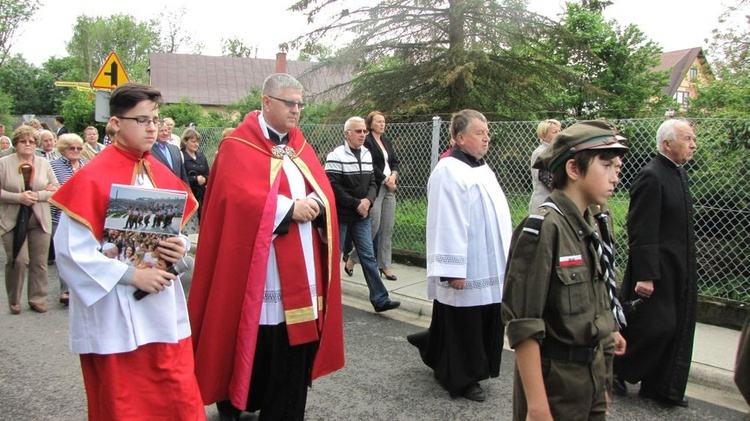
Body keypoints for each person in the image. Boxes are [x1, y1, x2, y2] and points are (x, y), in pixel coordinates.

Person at [188, 73, 344, 420]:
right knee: (254, 337)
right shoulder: (237, 146)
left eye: (300, 104)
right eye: (290, 103)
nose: (297, 110)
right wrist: (289, 209)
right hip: (259, 270)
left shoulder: (300, 145)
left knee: (291, 346)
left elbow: (322, 189)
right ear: (266, 102)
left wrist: (318, 205)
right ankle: (235, 397)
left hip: (302, 265)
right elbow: (235, 201)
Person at [50, 82, 204, 419]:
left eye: (156, 119)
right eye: (142, 120)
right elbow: (70, 253)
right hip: (115, 310)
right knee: (125, 400)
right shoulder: (91, 178)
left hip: (161, 305)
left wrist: (180, 247)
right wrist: (132, 275)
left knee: (176, 392)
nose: (152, 128)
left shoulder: (159, 173)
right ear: (116, 123)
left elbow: (177, 233)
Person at [501, 120, 628, 420]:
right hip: (556, 382)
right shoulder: (545, 228)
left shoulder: (598, 222)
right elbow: (524, 323)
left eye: (618, 167)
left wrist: (605, 377)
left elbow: (600, 295)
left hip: (593, 376)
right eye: (607, 166)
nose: (616, 176)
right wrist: (537, 406)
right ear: (573, 169)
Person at [405, 109, 512, 402]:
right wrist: (453, 271)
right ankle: (462, 379)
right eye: (480, 132)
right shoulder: (448, 170)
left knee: (484, 317)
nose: (486, 137)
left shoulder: (481, 167)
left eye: (487, 131)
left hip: (488, 263)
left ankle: (435, 347)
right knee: (465, 321)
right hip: (467, 266)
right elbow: (447, 221)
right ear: (461, 138)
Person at [612, 118, 698, 408]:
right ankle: (616, 368)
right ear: (666, 143)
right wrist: (646, 274)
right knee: (655, 326)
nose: (693, 144)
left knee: (674, 327)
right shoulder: (652, 175)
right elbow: (642, 227)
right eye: (687, 138)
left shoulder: (677, 173)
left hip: (677, 269)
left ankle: (660, 386)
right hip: (656, 270)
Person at [325, 116, 401, 313]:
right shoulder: (335, 156)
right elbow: (333, 186)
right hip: (342, 216)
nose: (362, 134)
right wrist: (355, 204)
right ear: (346, 134)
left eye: (364, 131)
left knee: (368, 255)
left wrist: (368, 201)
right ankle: (326, 299)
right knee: (334, 257)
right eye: (358, 131)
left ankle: (380, 299)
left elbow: (373, 183)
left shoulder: (367, 154)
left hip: (362, 216)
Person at [0, 125, 59, 314]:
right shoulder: (4, 163)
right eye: (23, 141)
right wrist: (19, 198)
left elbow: (55, 188)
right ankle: (14, 299)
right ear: (16, 143)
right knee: (18, 260)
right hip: (12, 217)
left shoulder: (44, 163)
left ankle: (37, 298)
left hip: (39, 216)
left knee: (39, 261)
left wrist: (38, 195)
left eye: (32, 141)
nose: (28, 144)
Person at [345, 111, 400, 280]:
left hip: (389, 188)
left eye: (384, 122)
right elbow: (370, 165)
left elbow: (395, 162)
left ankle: (385, 266)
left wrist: (394, 176)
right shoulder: (367, 142)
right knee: (374, 226)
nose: (382, 124)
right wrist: (385, 179)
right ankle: (352, 258)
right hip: (377, 187)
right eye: (378, 122)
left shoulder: (387, 141)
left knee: (387, 228)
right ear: (370, 124)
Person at [49, 134, 89, 305]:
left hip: (83, 215)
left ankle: (80, 288)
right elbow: (52, 189)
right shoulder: (53, 166)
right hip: (60, 215)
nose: (76, 151)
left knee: (82, 253)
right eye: (71, 148)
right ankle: (65, 290)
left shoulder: (86, 165)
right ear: (62, 149)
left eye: (79, 148)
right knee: (64, 252)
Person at [529, 119, 561, 212]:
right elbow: (546, 180)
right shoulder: (540, 153)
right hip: (543, 204)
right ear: (543, 135)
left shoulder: (555, 151)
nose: (559, 134)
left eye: (560, 131)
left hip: (555, 202)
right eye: (555, 132)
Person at [180, 128, 209, 222]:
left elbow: (208, 174)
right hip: (189, 195)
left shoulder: (201, 156)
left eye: (197, 142)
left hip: (202, 195)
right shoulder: (180, 156)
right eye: (193, 141)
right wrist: (195, 179)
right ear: (185, 141)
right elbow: (179, 177)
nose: (196, 144)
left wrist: (204, 179)